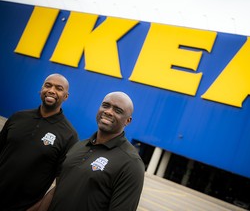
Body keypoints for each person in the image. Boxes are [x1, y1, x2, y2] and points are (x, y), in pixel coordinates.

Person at [47, 91, 145, 211]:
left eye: (118, 111)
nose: (108, 111)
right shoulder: (79, 146)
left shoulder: (131, 163)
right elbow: (58, 189)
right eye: (105, 105)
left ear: (128, 121)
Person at [0, 73, 79, 211]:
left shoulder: (69, 135)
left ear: (66, 96)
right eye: (48, 85)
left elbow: (60, 185)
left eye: (59, 88)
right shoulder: (18, 117)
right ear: (41, 89)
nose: (51, 90)